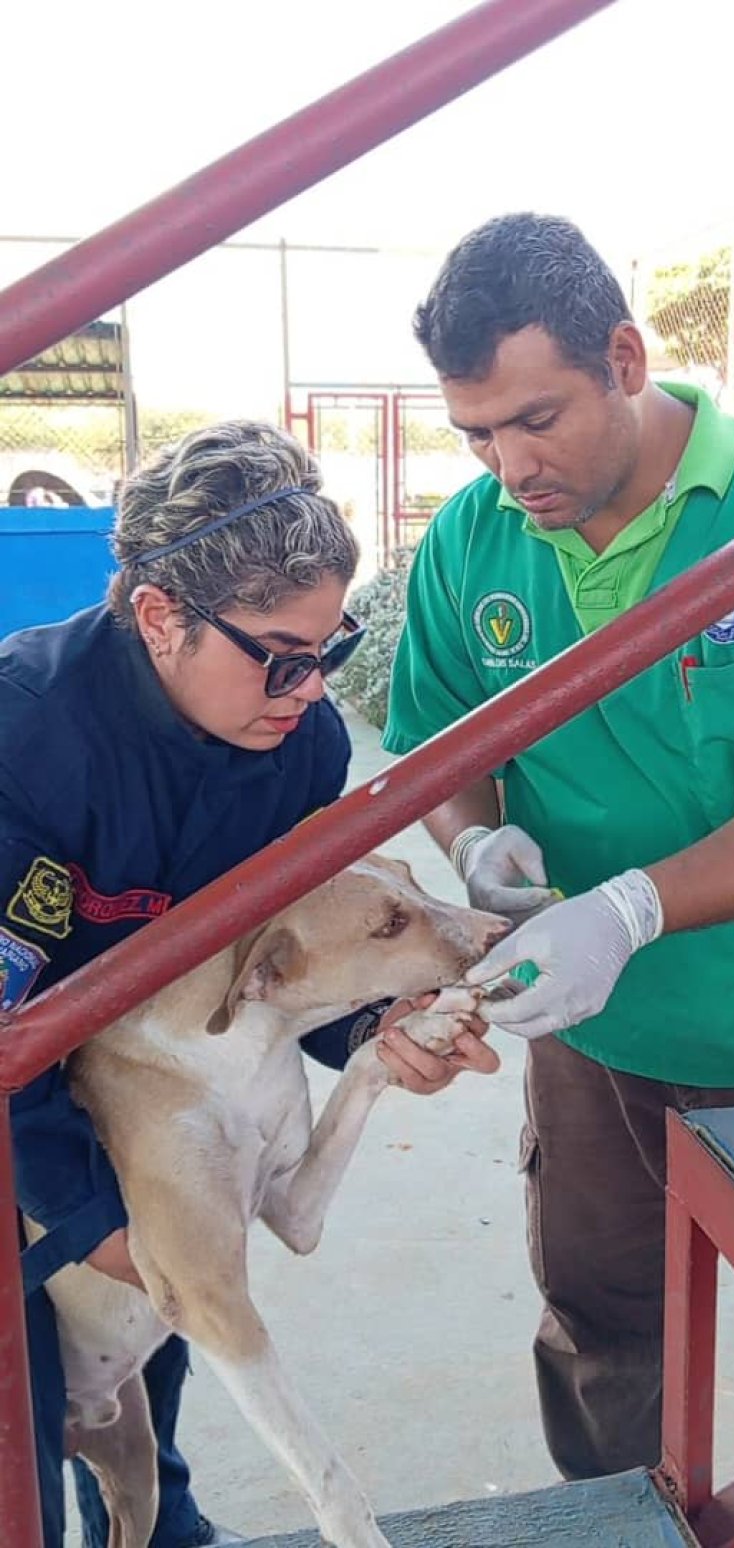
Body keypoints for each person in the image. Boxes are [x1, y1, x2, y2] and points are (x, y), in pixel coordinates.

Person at [383, 213, 734, 1479]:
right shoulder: (476, 538)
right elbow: (440, 751)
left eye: (537, 419)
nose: (507, 467)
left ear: (628, 356)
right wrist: (479, 845)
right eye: (475, 434)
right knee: (603, 1334)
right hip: (599, 1044)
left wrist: (626, 912)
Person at [3, 419, 497, 1548]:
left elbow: (291, 966)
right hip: (23, 1107)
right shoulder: (24, 742)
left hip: (136, 1097)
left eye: (330, 649)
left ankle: (162, 1518)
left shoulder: (305, 746)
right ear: (160, 617)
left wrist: (385, 1023)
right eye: (281, 654)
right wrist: (103, 1225)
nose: (311, 689)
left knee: (144, 1400)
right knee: (21, 1448)